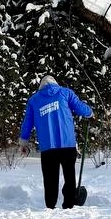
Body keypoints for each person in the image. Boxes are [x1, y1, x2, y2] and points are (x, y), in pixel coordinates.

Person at [18, 76, 93, 210]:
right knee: (69, 175)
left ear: (41, 86)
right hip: (67, 144)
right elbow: (80, 107)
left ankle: (50, 206)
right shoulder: (65, 92)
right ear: (55, 83)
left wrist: (23, 142)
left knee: (50, 178)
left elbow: (27, 123)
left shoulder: (34, 100)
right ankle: (69, 204)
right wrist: (89, 112)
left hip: (48, 147)